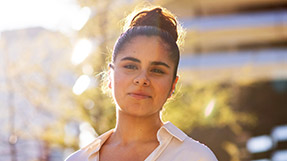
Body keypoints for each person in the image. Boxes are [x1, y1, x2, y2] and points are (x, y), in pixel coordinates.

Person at [65, 6, 218, 161]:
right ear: (110, 76)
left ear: (173, 85)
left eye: (157, 70)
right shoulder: (78, 159)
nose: (142, 79)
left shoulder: (196, 157)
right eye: (130, 66)